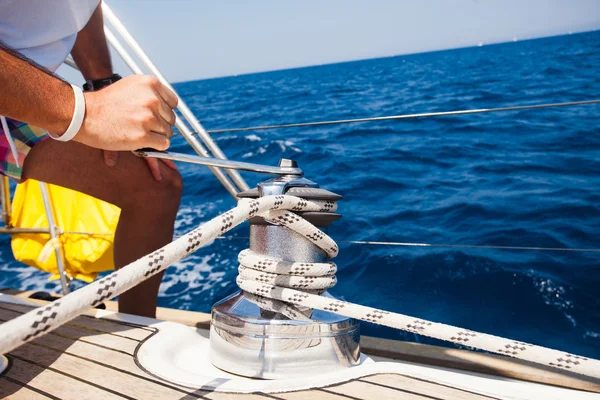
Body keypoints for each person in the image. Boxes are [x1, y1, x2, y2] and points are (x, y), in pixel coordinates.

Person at [0, 0, 182, 318]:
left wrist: (100, 87)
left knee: (155, 183)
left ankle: (134, 330)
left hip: (27, 91)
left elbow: (80, 7)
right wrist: (85, 113)